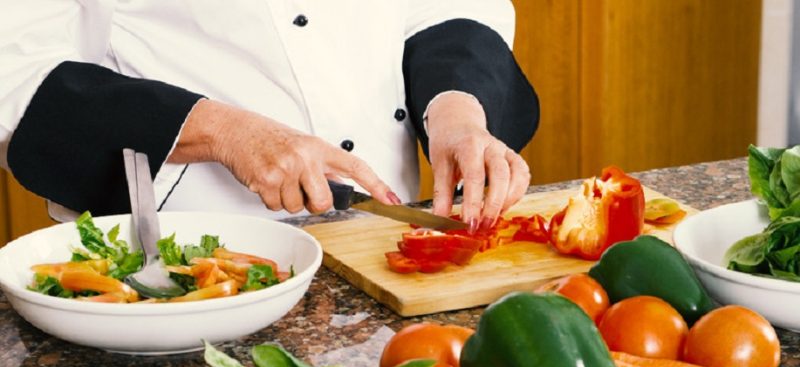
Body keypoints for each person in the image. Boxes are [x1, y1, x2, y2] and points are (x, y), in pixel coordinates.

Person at [0, 1, 539, 233]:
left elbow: (443, 7)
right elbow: (14, 69)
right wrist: (223, 132)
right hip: (176, 269)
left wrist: (457, 109)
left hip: (381, 242)